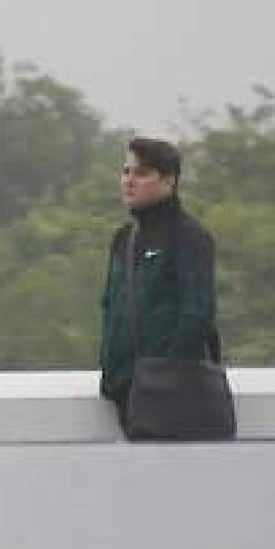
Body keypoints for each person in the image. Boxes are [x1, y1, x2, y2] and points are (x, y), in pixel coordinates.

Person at [98, 136, 220, 432]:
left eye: (142, 173)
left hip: (172, 398)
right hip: (126, 395)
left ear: (169, 181)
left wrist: (163, 373)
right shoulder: (124, 239)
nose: (129, 181)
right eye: (126, 172)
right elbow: (111, 307)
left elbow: (197, 316)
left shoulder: (188, 237)